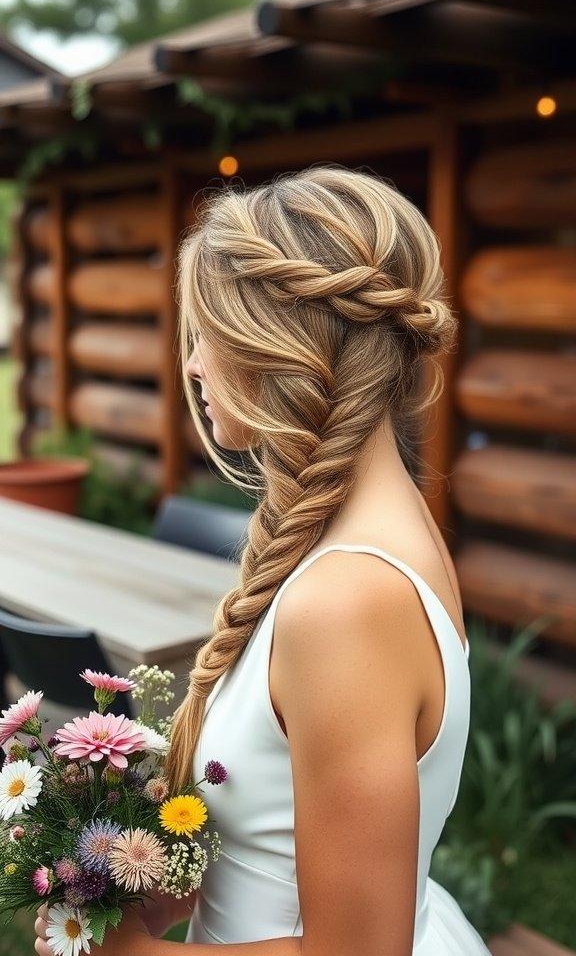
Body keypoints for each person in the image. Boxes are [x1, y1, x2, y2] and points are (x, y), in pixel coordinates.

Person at [35, 167, 490, 955]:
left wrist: (132, 953)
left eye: (208, 332)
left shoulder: (347, 598)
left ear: (279, 344)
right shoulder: (373, 535)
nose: (195, 365)